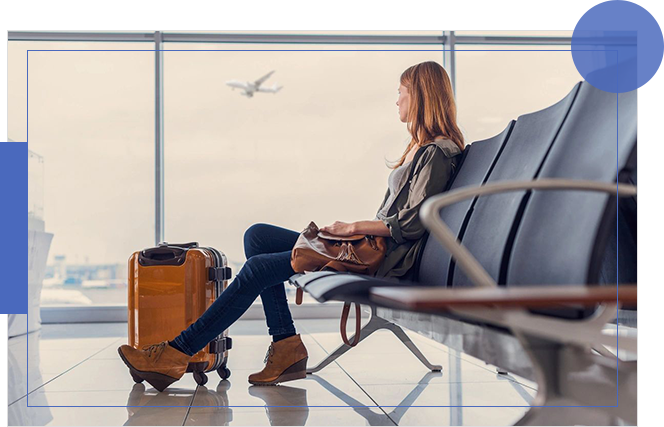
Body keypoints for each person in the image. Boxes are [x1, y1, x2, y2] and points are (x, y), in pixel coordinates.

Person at [118, 60, 465, 392]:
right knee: (258, 236)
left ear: (420, 96)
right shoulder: (423, 150)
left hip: (383, 260)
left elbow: (412, 224)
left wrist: (350, 229)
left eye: (402, 91)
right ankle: (286, 345)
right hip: (371, 249)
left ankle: (175, 354)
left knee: (256, 269)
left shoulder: (436, 153)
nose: (397, 99)